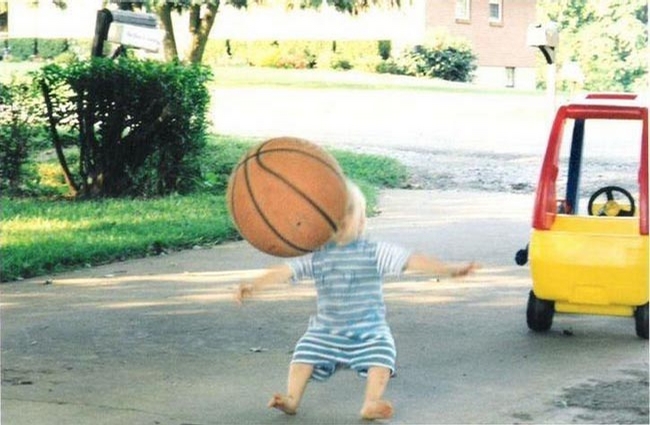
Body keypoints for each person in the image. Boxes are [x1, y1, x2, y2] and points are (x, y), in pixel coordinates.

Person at [235, 180, 477, 420]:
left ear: (361, 222)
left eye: (348, 212)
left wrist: (448, 270)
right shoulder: (317, 255)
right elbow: (285, 271)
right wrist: (254, 285)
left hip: (369, 330)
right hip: (326, 331)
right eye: (332, 212)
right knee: (303, 355)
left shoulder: (374, 251)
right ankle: (292, 399)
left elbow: (411, 260)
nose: (339, 218)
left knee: (382, 356)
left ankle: (371, 402)